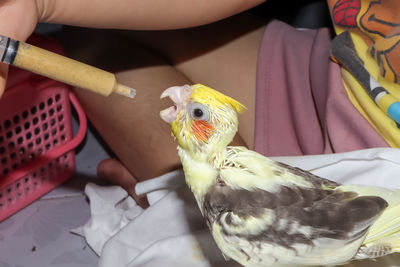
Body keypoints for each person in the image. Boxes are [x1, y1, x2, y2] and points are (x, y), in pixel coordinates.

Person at [0, 0, 397, 206]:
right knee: (88, 43)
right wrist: (41, 4)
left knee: (246, 225)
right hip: (335, 70)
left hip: (373, 188)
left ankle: (200, 210)